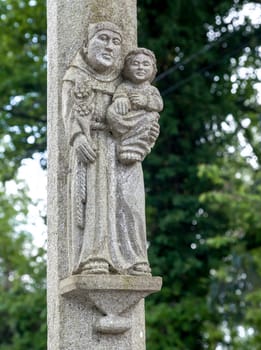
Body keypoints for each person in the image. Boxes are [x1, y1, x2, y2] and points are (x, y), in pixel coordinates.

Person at [62, 22, 160, 276]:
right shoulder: (77, 76)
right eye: (103, 39)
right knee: (96, 201)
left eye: (116, 42)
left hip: (122, 149)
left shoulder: (125, 82)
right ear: (87, 45)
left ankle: (135, 260)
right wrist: (77, 137)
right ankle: (95, 258)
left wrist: (146, 131)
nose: (109, 46)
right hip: (93, 147)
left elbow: (146, 113)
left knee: (131, 203)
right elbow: (68, 112)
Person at [107, 48, 163, 165]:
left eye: (145, 64)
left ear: (153, 69)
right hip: (126, 120)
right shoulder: (124, 86)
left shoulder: (152, 90)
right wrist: (121, 99)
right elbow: (119, 95)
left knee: (151, 117)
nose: (140, 68)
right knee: (112, 111)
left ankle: (135, 147)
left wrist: (146, 101)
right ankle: (125, 142)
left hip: (143, 121)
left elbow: (159, 105)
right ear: (127, 69)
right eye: (135, 64)